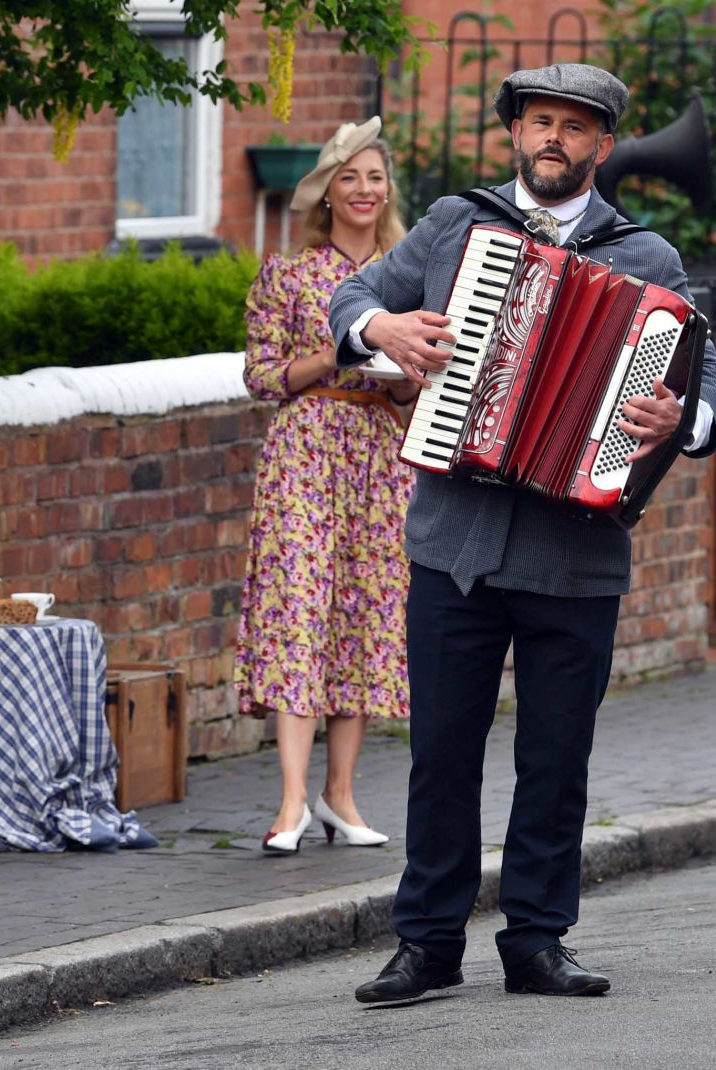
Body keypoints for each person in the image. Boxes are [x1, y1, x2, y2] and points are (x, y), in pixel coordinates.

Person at [329, 64, 716, 1000]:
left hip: (577, 554)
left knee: (556, 761)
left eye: (574, 127)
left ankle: (538, 940)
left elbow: (711, 382)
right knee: (441, 754)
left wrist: (682, 420)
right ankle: (428, 943)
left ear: (601, 145)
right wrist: (383, 329)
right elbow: (350, 299)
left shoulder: (648, 260)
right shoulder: (450, 224)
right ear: (516, 132)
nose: (553, 138)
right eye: (539, 122)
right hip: (454, 545)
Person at [234, 117, 417, 855]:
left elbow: (419, 385)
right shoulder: (288, 274)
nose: (366, 190)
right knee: (297, 609)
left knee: (366, 612)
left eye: (376, 178)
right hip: (307, 446)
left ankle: (341, 794)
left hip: (380, 449)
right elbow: (258, 375)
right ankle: (289, 803)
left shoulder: (408, 275)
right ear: (328, 192)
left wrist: (408, 374)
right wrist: (332, 351)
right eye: (351, 178)